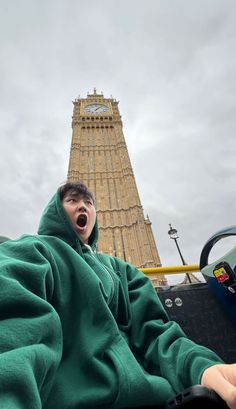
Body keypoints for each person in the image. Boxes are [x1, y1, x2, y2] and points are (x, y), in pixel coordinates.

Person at [0, 181, 235, 409]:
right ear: (55, 212)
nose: (82, 206)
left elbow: (157, 335)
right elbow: (16, 330)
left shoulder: (124, 272)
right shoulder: (33, 251)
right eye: (72, 200)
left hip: (152, 396)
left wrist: (202, 368)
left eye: (89, 202)